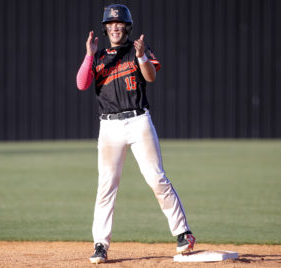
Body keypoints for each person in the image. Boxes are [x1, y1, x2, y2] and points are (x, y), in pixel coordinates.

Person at [76, 4, 196, 264]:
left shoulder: (136, 49)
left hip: (138, 120)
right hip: (109, 126)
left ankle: (183, 233)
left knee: (156, 179)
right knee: (106, 186)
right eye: (110, 24)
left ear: (127, 27)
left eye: (119, 23)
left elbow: (150, 77)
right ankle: (100, 245)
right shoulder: (97, 56)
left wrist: (141, 57)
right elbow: (82, 83)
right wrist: (88, 55)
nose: (115, 27)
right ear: (105, 28)